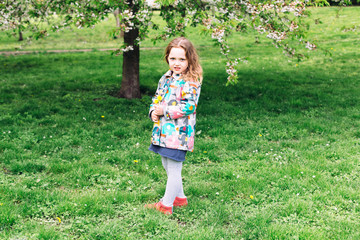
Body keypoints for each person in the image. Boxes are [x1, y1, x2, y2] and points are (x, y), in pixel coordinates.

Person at [145, 37, 203, 215]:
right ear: (167, 58)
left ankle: (166, 205)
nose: (176, 63)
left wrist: (165, 111)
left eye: (182, 59)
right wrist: (154, 111)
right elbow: (157, 98)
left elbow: (189, 106)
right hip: (162, 131)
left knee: (174, 167)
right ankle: (180, 198)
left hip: (179, 133)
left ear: (190, 60)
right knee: (166, 164)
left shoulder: (191, 80)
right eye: (173, 59)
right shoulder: (166, 77)